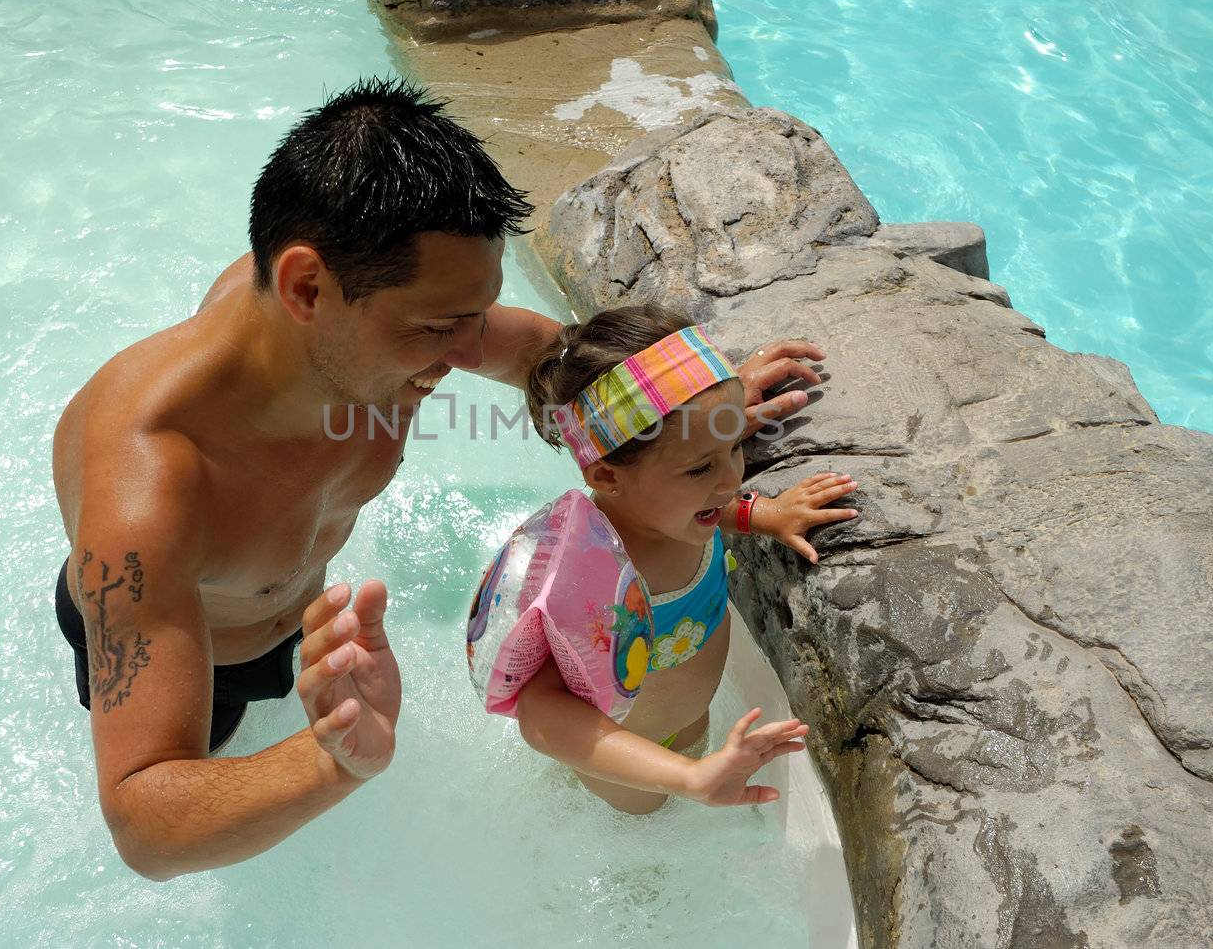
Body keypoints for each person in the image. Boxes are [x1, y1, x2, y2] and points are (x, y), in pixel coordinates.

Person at [49, 79, 824, 878]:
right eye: (436, 326)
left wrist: (701, 397)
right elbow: (146, 823)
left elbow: (552, 360)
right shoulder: (149, 492)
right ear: (306, 287)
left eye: (476, 315)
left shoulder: (361, 335)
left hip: (300, 616)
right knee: (217, 736)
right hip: (206, 644)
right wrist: (332, 762)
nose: (467, 353)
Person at [512, 304, 859, 814]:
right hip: (630, 766)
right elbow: (539, 712)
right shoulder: (592, 573)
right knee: (644, 847)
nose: (730, 481)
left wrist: (767, 515)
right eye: (701, 468)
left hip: (688, 722)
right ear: (608, 478)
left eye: (732, 449)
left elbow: (705, 507)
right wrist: (688, 777)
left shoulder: (665, 506)